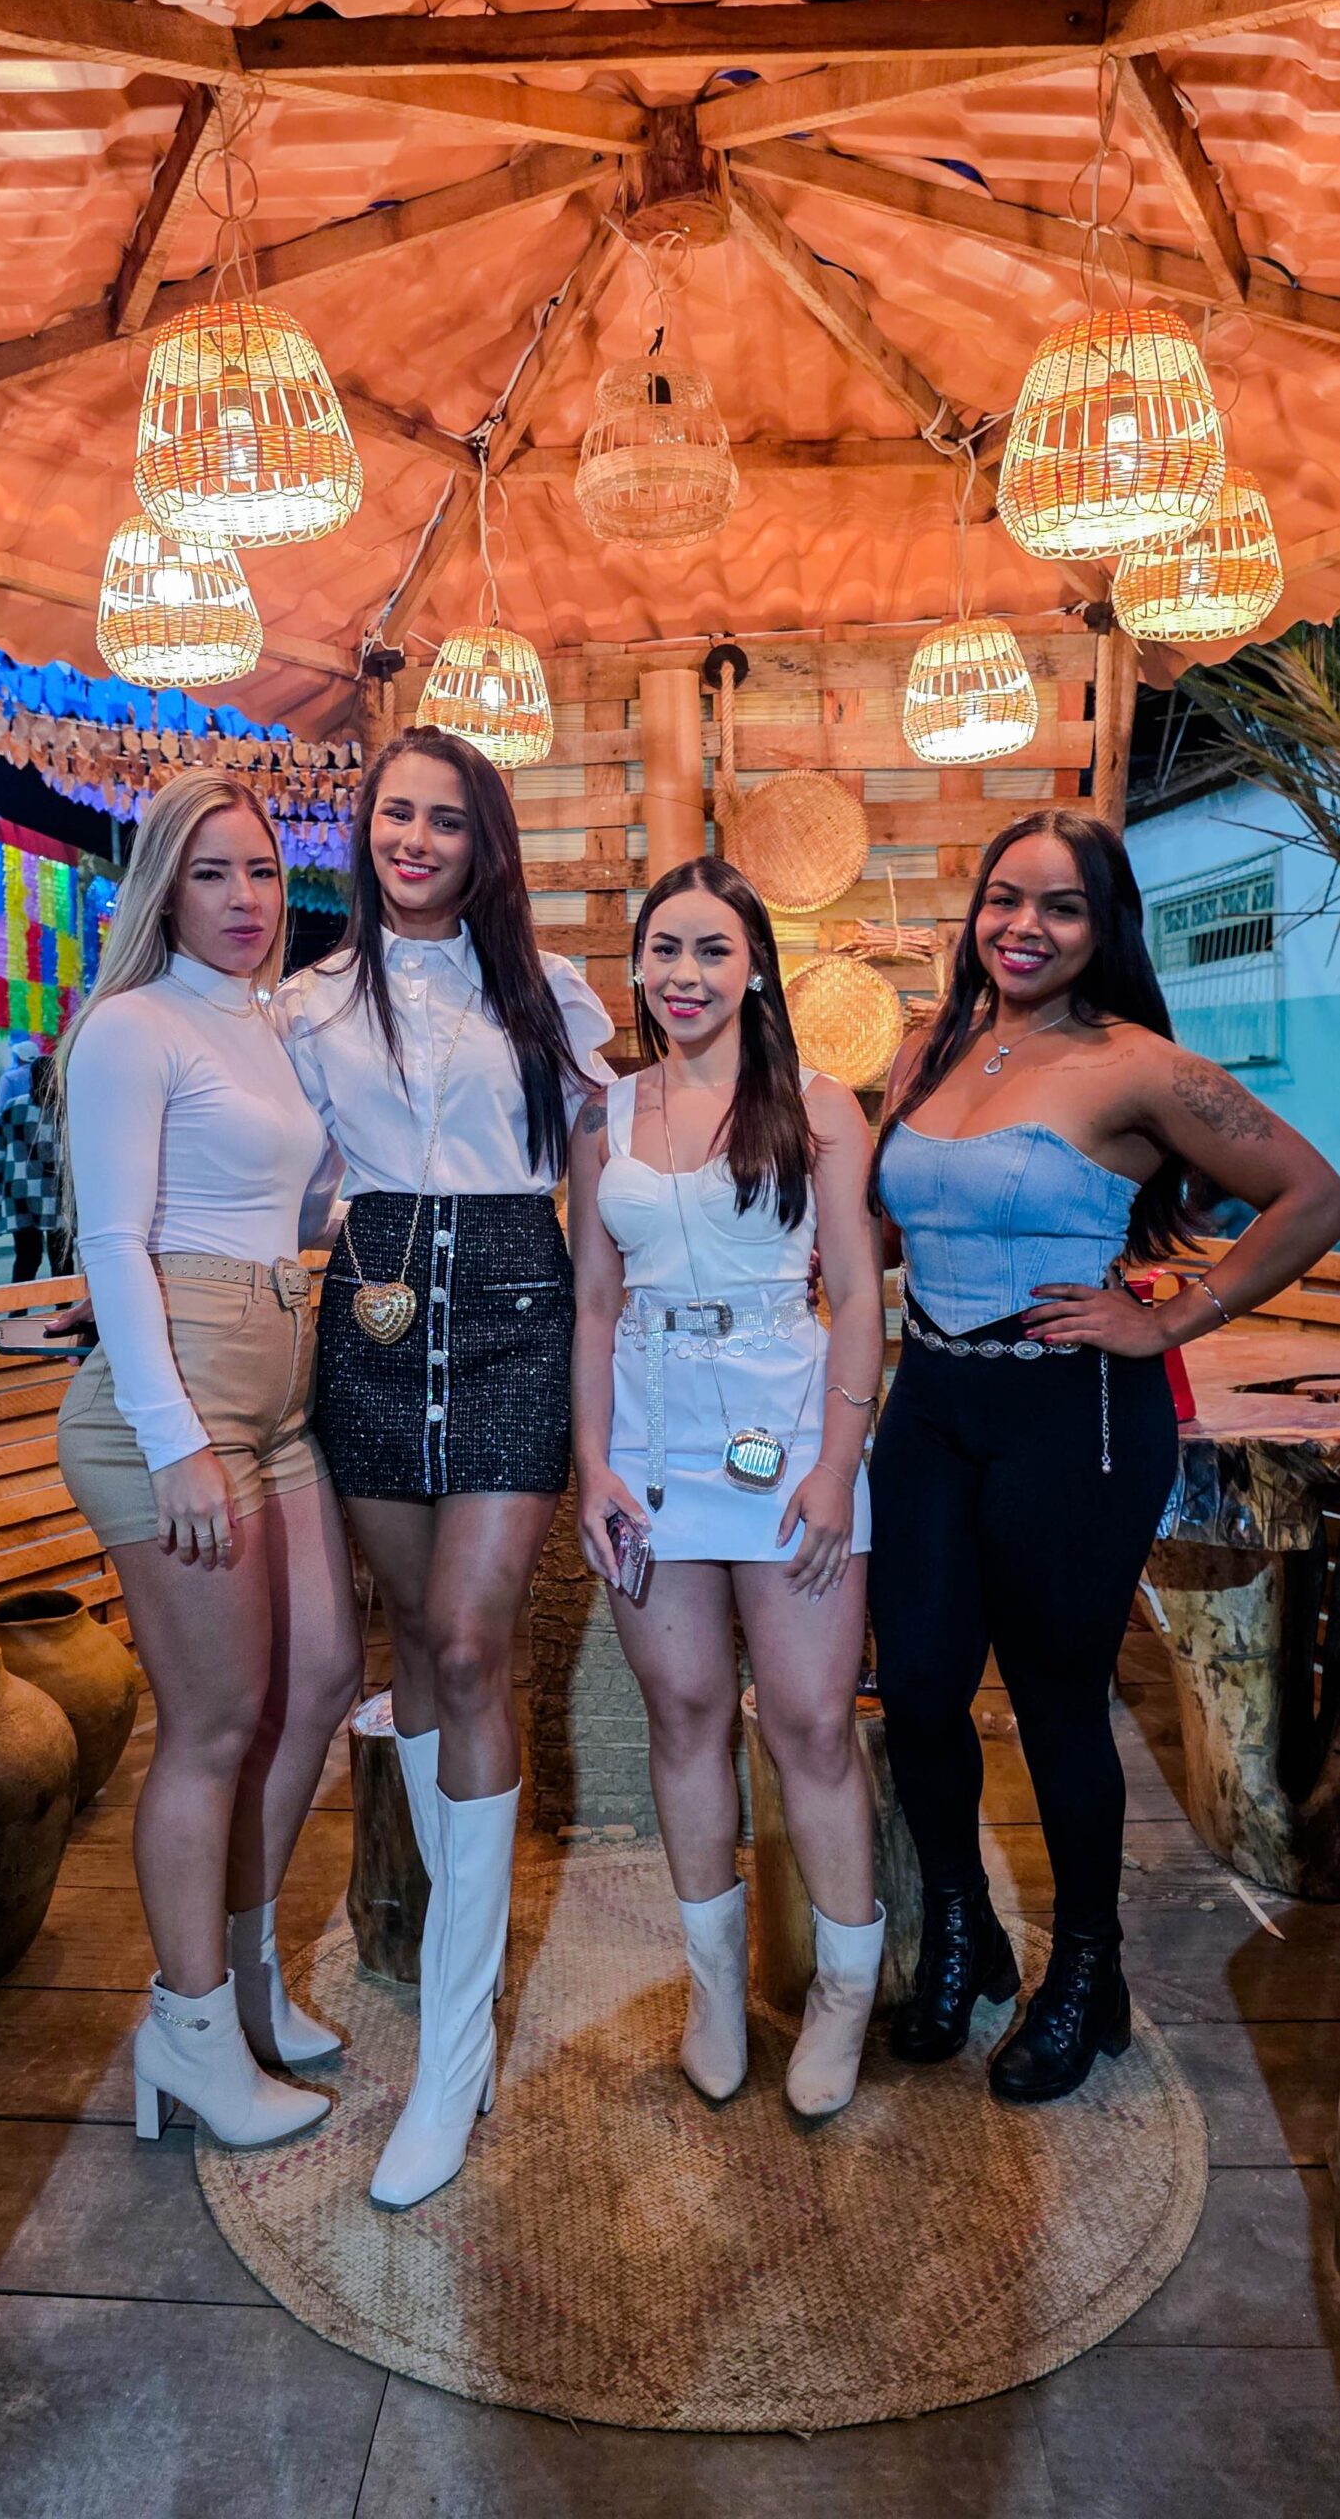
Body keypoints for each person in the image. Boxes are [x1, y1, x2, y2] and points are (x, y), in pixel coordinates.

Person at [866, 810, 1340, 2104]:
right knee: (917, 1691)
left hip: (1069, 1412)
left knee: (1056, 1702)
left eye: (1061, 906)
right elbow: (892, 1225)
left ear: (1103, 926)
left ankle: (1086, 1969)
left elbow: (1312, 1191)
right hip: (928, 1405)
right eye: (1004, 897)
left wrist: (1175, 1315)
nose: (1023, 926)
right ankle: (961, 1931)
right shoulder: (929, 1047)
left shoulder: (1137, 1065)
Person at [277, 725, 615, 2211]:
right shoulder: (307, 1003)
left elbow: (607, 1187)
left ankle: (453, 2047)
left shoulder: (554, 996)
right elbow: (289, 1183)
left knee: (474, 1641)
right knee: (411, 1638)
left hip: (516, 1310)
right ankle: (451, 1978)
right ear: (367, 834)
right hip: (369, 1310)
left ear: (487, 845)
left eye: (446, 820)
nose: (415, 840)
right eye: (395, 815)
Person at [54, 771, 362, 2151]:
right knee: (215, 1722)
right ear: (163, 889)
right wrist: (171, 1436)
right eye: (210, 872)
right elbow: (115, 1240)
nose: (245, 899)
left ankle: (241, 1982)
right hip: (175, 1398)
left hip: (277, 1378)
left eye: (261, 870)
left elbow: (278, 1202)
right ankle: (187, 2030)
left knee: (323, 1678)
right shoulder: (133, 1025)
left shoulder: (269, 1022)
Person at [569, 857, 886, 2119]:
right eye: (665, 949)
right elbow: (595, 1305)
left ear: (756, 967)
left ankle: (844, 1992)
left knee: (809, 1721)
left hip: (788, 1434)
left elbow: (854, 1293)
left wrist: (836, 1468)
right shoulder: (604, 1114)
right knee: (685, 1713)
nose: (685, 973)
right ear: (637, 966)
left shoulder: (818, 1107)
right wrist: (592, 1462)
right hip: (649, 1444)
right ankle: (713, 1987)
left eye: (712, 949)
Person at [0, 1053, 72, 1283]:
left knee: (26, 1257)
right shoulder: (68, 1109)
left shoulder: (12, 1107)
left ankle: (19, 1303)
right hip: (57, 1190)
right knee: (61, 1257)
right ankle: (63, 1303)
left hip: (19, 1191)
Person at [0, 1036, 39, 1125]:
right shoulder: (47, 1076)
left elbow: (1, 1108)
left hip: (17, 1126)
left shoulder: (8, 1078)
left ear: (18, 1058)